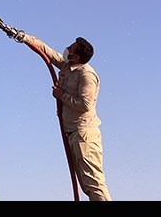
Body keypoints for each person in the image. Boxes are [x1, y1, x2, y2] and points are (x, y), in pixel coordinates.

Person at [21, 33, 111, 201]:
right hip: (73, 133)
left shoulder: (86, 75)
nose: (67, 49)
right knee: (86, 184)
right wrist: (23, 37)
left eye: (71, 48)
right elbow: (46, 50)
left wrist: (62, 96)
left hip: (84, 134)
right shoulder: (67, 67)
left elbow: (86, 105)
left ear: (76, 57)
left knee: (93, 183)